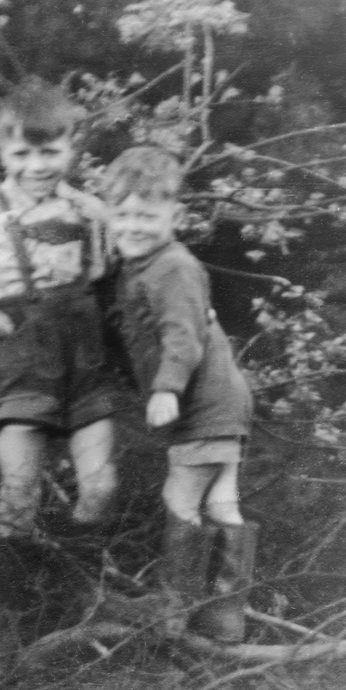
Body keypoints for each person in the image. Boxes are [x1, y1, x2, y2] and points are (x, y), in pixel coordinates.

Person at [0, 78, 124, 545]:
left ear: (71, 148)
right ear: (0, 150)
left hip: (85, 365)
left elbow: (123, 278)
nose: (36, 166)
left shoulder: (89, 212)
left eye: (50, 153)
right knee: (16, 497)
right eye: (21, 155)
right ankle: (11, 580)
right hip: (23, 363)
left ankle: (70, 564)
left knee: (101, 488)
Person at [101, 145, 257, 643]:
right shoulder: (140, 266)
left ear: (175, 215)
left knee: (181, 498)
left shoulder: (173, 267)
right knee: (222, 504)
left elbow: (182, 336)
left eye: (147, 216)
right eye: (122, 215)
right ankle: (226, 615)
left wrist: (166, 388)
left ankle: (174, 609)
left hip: (203, 405)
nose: (133, 226)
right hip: (224, 401)